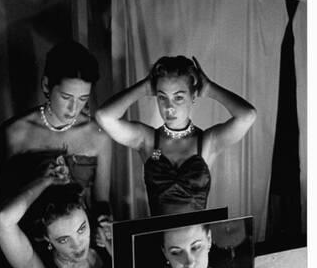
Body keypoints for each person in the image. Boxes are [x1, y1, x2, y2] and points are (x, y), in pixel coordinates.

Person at [96, 56, 256, 215]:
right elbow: (104, 116)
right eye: (162, 97)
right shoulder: (148, 140)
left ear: (193, 97)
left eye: (178, 98)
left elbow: (247, 115)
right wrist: (145, 88)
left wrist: (209, 89)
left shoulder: (207, 141)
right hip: (158, 237)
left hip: (196, 239)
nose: (169, 107)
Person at [0, 40, 113, 230]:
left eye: (82, 99)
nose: (74, 109)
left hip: (80, 242)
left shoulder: (98, 137)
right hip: (28, 243)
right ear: (47, 85)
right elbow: (1, 206)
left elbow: (102, 202)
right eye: (66, 97)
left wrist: (105, 222)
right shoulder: (14, 132)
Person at [0, 159, 111, 268]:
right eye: (64, 240)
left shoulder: (106, 243)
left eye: (81, 229)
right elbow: (2, 219)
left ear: (86, 215)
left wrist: (119, 248)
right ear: (47, 237)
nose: (77, 245)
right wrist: (46, 181)